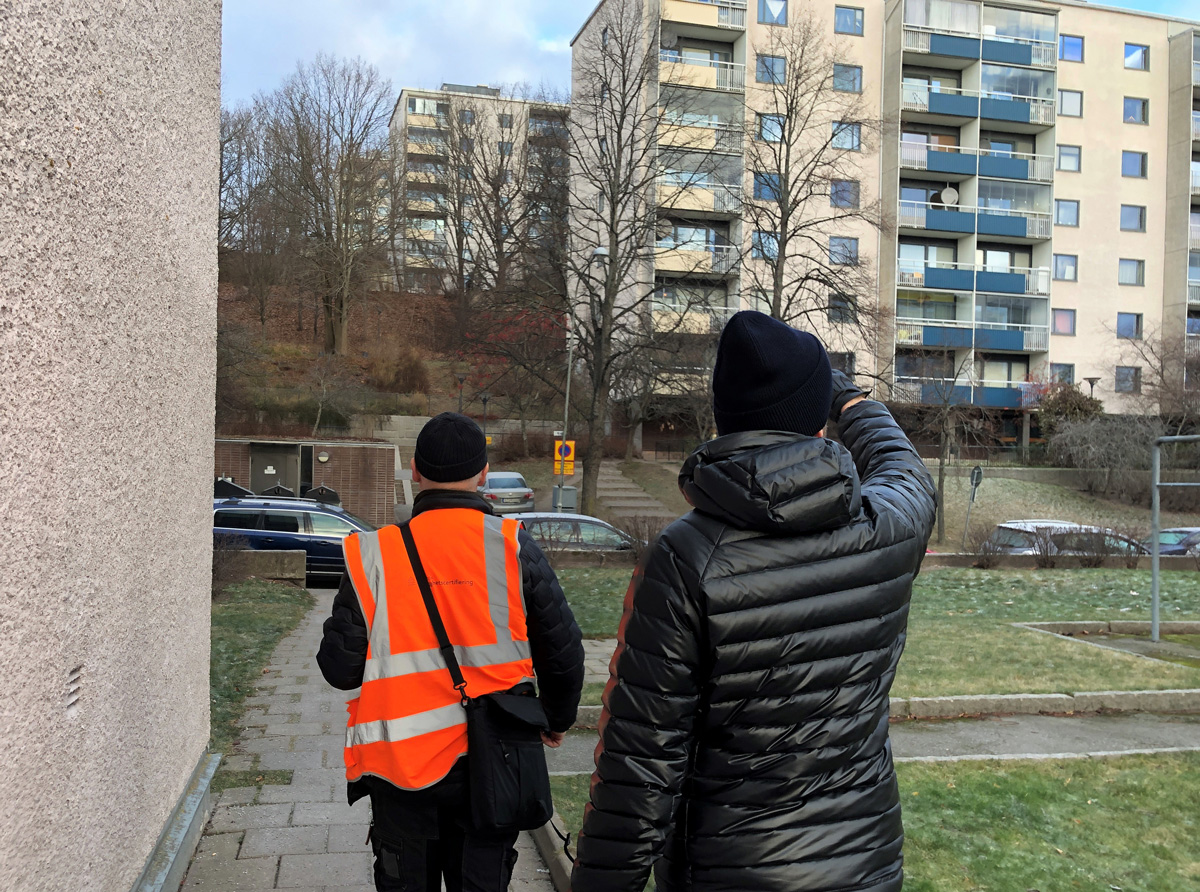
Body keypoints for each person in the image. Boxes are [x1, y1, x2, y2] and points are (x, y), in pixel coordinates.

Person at [571, 312, 937, 892]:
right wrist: (849, 400)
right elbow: (904, 467)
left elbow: (640, 763)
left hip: (729, 871)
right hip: (863, 865)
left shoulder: (687, 554)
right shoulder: (887, 527)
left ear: (723, 418)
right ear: (818, 423)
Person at [317, 411, 584, 892]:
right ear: (483, 474)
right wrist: (557, 718)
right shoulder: (513, 548)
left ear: (415, 471)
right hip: (493, 759)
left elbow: (339, 669)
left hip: (400, 768)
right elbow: (562, 650)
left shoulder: (373, 553)